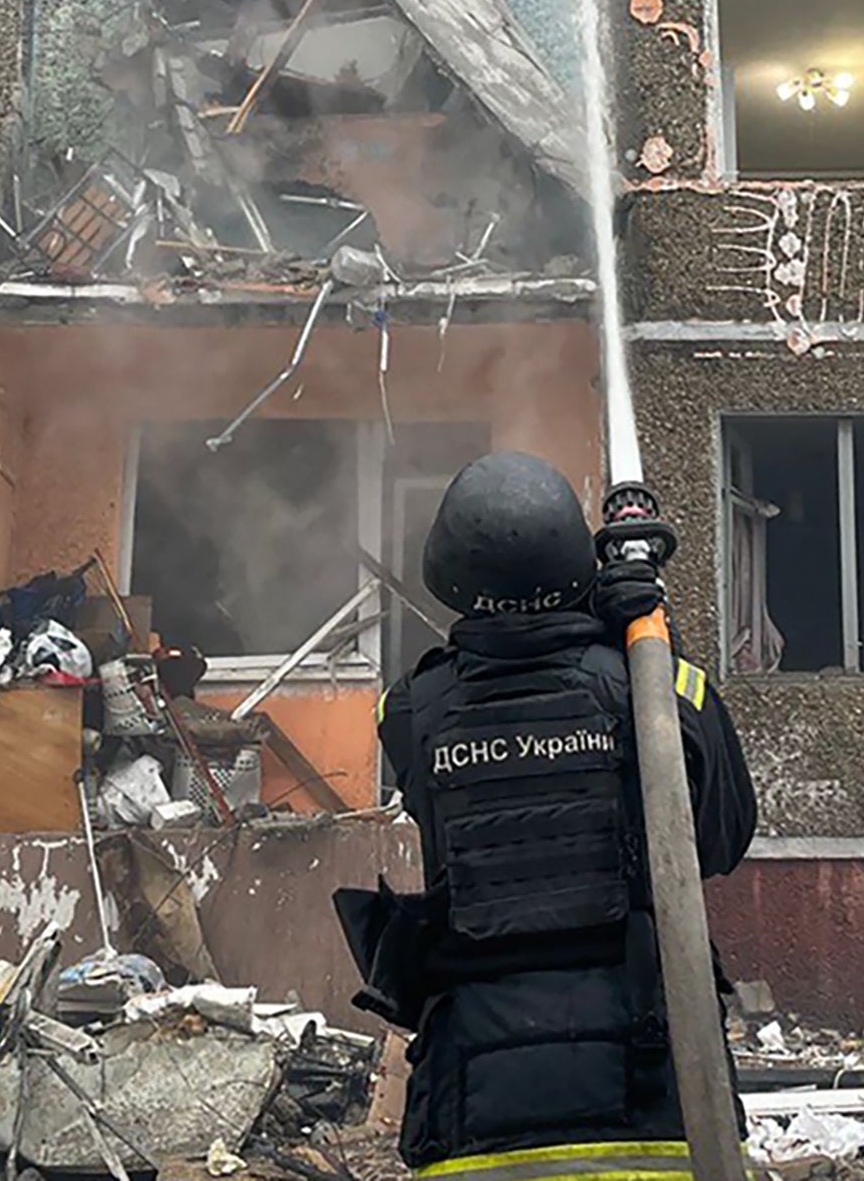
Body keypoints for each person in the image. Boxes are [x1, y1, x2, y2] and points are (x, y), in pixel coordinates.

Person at [336, 451, 758, 1180]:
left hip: (476, 1119)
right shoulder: (649, 692)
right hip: (652, 1100)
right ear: (577, 563)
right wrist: (648, 643)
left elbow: (511, 695)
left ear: (448, 572)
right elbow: (720, 838)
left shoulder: (410, 712)